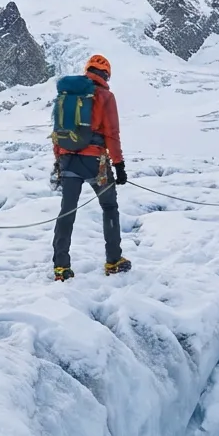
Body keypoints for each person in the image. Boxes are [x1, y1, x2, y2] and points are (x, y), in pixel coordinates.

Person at [51, 54, 131, 281]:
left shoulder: (67, 95)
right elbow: (112, 133)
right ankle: (114, 260)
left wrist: (59, 160)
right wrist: (119, 165)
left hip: (67, 160)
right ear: (106, 74)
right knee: (109, 207)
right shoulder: (105, 96)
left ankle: (61, 267)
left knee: (67, 211)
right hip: (95, 162)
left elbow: (58, 131)